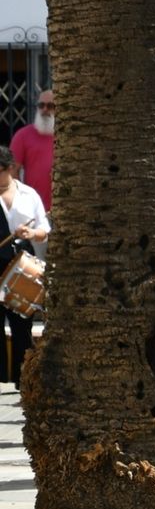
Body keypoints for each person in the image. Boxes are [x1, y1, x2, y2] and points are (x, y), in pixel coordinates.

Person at [0, 147, 48, 386]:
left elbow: (44, 229)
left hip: (21, 264)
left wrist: (31, 233)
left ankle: (23, 380)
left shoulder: (29, 194)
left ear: (10, 168)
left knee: (21, 325)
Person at [9, 87, 54, 211]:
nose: (45, 110)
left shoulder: (68, 136)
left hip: (67, 210)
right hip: (34, 210)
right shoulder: (23, 135)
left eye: (50, 106)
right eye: (41, 105)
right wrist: (23, 200)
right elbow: (11, 171)